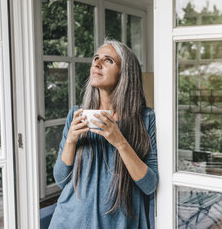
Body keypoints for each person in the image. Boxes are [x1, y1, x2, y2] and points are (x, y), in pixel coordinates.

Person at [49, 40, 158, 228]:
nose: (97, 64)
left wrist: (120, 142)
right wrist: (71, 141)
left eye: (108, 60)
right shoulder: (77, 114)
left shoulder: (146, 118)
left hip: (120, 223)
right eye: (96, 59)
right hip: (71, 220)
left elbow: (150, 185)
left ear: (125, 73)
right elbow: (61, 180)